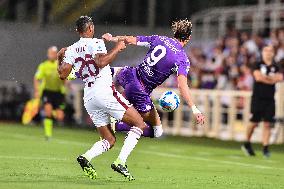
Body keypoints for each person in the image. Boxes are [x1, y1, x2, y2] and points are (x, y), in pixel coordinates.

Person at [57, 16, 147, 181]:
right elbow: (100, 62)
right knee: (139, 123)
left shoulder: (70, 49)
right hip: (104, 91)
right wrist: (118, 48)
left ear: (78, 31)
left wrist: (59, 57)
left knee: (109, 139)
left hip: (89, 97)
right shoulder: (96, 42)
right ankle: (121, 161)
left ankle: (86, 157)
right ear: (91, 28)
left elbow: (63, 74)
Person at [102, 19, 205, 138]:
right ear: (189, 37)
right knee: (156, 131)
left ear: (175, 32)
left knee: (111, 71)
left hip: (131, 74)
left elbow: (129, 39)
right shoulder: (182, 59)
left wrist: (112, 38)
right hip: (141, 90)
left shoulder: (159, 39)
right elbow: (182, 86)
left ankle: (85, 72)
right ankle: (116, 126)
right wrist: (194, 108)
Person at [242, 45, 283, 157]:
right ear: (262, 52)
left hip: (270, 98)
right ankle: (247, 142)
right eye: (266, 50)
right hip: (258, 97)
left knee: (267, 123)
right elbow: (258, 77)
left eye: (270, 50)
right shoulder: (257, 64)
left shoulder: (276, 66)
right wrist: (271, 79)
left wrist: (266, 78)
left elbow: (279, 78)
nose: (268, 53)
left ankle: (265, 148)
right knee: (254, 122)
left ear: (273, 53)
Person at [34, 46, 66, 140]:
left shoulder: (61, 65)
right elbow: (37, 78)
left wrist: (66, 83)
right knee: (48, 111)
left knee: (60, 116)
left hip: (58, 92)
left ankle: (52, 111)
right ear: (48, 54)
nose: (52, 55)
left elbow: (64, 78)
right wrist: (36, 90)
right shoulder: (43, 65)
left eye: (53, 53)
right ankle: (48, 135)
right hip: (47, 91)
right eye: (50, 53)